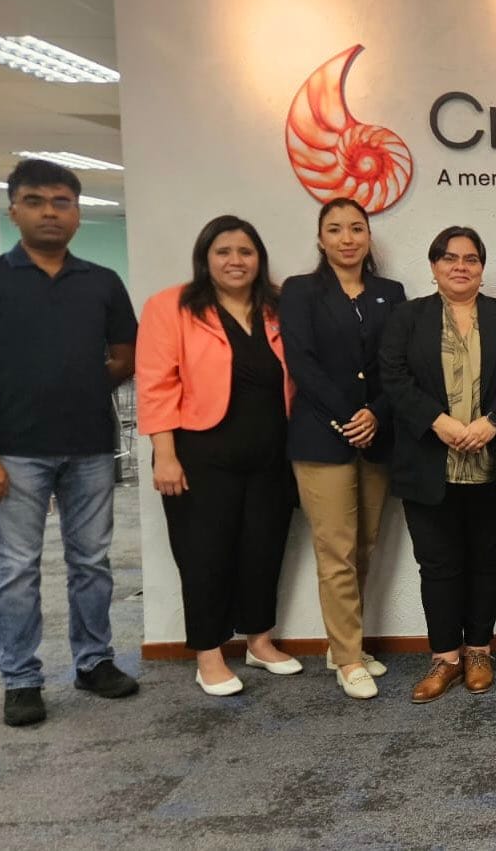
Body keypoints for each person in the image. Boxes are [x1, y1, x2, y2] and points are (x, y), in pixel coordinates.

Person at [0, 158, 140, 727]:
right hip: (14, 450)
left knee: (92, 562)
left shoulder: (102, 282)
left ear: (77, 213)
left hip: (90, 446)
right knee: (16, 568)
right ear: (13, 211)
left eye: (62, 202)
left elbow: (125, 357)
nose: (49, 212)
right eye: (35, 201)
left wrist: (78, 383)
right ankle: (21, 679)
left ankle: (94, 661)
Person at [136, 215, 301, 697]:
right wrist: (164, 455)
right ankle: (208, 654)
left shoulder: (277, 307)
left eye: (245, 252)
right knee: (204, 555)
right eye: (223, 251)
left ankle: (259, 641)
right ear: (205, 257)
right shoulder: (171, 306)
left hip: (271, 453)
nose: (235, 261)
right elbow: (156, 385)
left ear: (259, 259)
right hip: (200, 454)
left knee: (264, 549)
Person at [379, 226, 496, 703]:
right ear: (434, 267)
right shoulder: (408, 318)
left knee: (485, 560)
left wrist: (493, 421)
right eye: (449, 258)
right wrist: (439, 422)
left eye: (471, 259)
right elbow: (394, 376)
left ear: (482, 268)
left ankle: (479, 652)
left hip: (492, 461)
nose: (460, 266)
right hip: (429, 463)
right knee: (437, 564)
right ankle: (445, 657)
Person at [280, 198, 405, 700]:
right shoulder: (300, 291)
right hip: (321, 436)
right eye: (335, 229)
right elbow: (301, 363)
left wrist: (376, 413)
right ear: (320, 238)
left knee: (365, 545)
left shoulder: (390, 293)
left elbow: (396, 363)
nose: (347, 238)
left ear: (369, 237)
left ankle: (341, 644)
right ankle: (348, 657)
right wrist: (350, 417)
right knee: (335, 549)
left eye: (356, 228)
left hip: (376, 435)